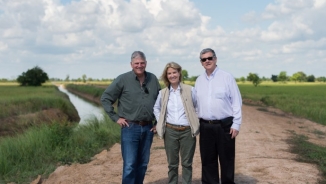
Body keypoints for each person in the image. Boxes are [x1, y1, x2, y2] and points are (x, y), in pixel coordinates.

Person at [101, 51, 161, 184]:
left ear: (146, 63)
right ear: (131, 64)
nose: (139, 65)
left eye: (142, 63)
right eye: (136, 63)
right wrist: (116, 118)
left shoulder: (153, 79)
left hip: (148, 128)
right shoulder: (122, 79)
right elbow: (105, 98)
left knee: (143, 163)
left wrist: (158, 123)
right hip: (130, 128)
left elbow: (160, 102)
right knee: (130, 165)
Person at [194, 48, 242, 184]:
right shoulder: (199, 81)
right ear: (201, 62)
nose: (207, 61)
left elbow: (236, 102)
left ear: (215, 59)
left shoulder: (227, 77)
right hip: (205, 126)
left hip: (224, 126)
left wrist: (236, 123)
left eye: (210, 58)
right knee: (208, 160)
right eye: (204, 59)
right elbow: (196, 104)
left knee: (227, 159)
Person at [153, 62, 200, 184]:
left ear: (179, 73)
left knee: (187, 163)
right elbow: (156, 108)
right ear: (166, 76)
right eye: (169, 73)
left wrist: (196, 122)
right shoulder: (162, 93)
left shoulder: (190, 90)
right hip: (170, 131)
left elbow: (198, 107)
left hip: (187, 132)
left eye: (174, 72)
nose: (172, 75)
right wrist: (160, 121)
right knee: (172, 164)